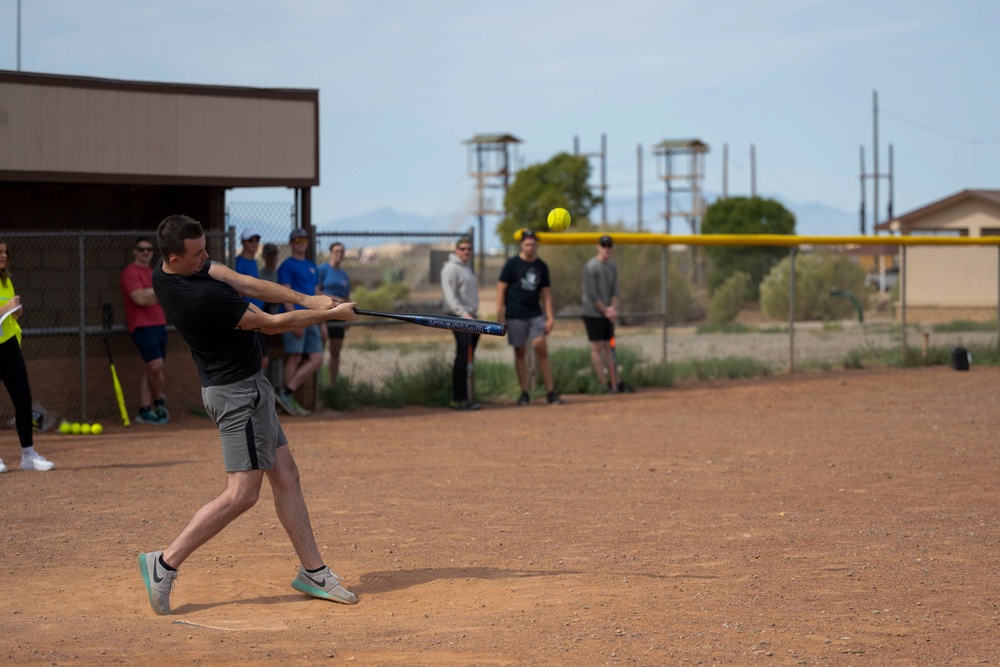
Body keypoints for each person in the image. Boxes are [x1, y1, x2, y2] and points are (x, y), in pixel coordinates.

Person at [139, 214, 358, 615]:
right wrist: (328, 314)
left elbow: (242, 280)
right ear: (172, 258)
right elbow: (270, 324)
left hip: (252, 388)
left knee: (287, 475)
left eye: (205, 247)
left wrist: (309, 299)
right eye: (197, 254)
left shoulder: (171, 270)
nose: (206, 257)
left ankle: (313, 571)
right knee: (242, 494)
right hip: (235, 395)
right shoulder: (201, 298)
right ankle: (165, 562)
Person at [0, 240, 55, 473]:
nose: (3, 255)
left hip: (9, 347)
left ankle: (28, 455)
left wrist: (15, 311)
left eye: (4, 252)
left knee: (23, 399)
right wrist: (6, 307)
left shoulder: (6, 279)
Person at [496, 229, 563, 406]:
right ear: (521, 245)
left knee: (540, 346)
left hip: (535, 314)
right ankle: (524, 392)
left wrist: (550, 317)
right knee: (520, 352)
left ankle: (550, 392)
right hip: (515, 314)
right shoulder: (512, 264)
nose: (530, 247)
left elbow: (546, 294)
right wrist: (500, 315)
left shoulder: (541, 266)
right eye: (527, 244)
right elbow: (501, 289)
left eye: (533, 244)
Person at [120, 236, 169, 425]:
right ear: (135, 251)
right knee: (155, 366)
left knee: (153, 368)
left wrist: (151, 294)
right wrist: (157, 293)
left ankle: (145, 408)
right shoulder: (129, 273)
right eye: (141, 249)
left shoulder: (153, 272)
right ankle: (160, 401)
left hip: (159, 323)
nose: (146, 252)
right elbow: (139, 299)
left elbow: (163, 295)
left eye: (149, 249)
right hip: (141, 326)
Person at [276, 228, 322, 416]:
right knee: (294, 356)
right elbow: (286, 294)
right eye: (296, 240)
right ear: (291, 243)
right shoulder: (287, 266)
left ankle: (286, 392)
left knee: (317, 358)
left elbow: (317, 294)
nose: (300, 242)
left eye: (303, 239)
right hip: (295, 317)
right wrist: (294, 319)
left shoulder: (312, 266)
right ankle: (288, 401)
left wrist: (324, 322)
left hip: (313, 318)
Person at [440, 236, 480, 410]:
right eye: (462, 249)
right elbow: (450, 297)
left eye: (469, 249)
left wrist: (471, 313)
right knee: (463, 355)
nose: (466, 252)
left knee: (469, 356)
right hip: (458, 317)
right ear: (456, 250)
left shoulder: (467, 268)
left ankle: (468, 396)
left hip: (471, 316)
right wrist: (463, 314)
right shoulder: (450, 268)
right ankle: (459, 398)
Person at [581, 234, 621, 392]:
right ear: (598, 246)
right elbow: (592, 295)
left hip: (607, 313)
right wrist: (605, 310)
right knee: (598, 346)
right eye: (603, 245)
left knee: (609, 346)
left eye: (609, 245)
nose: (606, 248)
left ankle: (615, 382)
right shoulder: (591, 266)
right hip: (593, 313)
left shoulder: (612, 267)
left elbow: (615, 291)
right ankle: (602, 383)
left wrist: (612, 308)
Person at [316, 242, 350, 389]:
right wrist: (334, 299)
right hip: (325, 314)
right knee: (319, 351)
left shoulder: (344, 275)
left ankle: (332, 385)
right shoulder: (322, 270)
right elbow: (316, 291)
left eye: (341, 251)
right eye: (336, 251)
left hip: (339, 316)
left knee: (335, 351)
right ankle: (317, 386)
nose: (339, 254)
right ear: (331, 253)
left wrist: (348, 317)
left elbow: (347, 296)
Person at [235, 229, 269, 370]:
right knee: (257, 359)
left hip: (260, 313)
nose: (254, 243)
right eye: (251, 240)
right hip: (249, 315)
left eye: (256, 240)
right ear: (243, 242)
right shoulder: (238, 262)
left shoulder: (254, 262)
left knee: (263, 359)